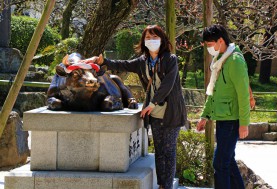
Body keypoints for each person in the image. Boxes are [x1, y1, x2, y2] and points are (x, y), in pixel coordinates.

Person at [83, 25, 187, 189]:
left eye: (154, 37)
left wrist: (152, 104)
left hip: (170, 112)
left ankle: (166, 185)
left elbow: (168, 85)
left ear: (162, 40)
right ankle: (161, 185)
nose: (151, 41)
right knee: (159, 152)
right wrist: (102, 61)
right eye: (147, 38)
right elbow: (122, 64)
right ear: (143, 42)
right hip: (153, 114)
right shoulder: (142, 62)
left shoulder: (170, 59)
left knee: (169, 151)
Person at [196, 24, 250, 189]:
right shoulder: (220, 60)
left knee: (220, 163)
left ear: (220, 41)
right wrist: (204, 116)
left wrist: (244, 123)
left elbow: (243, 94)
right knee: (227, 162)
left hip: (232, 120)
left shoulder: (235, 60)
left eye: (210, 44)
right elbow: (215, 93)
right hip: (223, 118)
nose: (209, 48)